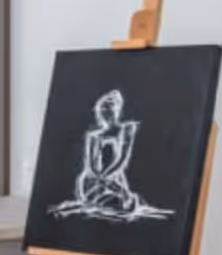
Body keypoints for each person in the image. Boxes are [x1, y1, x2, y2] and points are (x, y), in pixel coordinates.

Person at [51, 89, 170, 223]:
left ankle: (110, 199)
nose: (105, 112)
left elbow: (122, 160)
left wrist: (111, 183)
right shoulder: (93, 136)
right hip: (93, 182)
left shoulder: (127, 129)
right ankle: (99, 200)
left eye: (109, 107)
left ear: (117, 110)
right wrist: (100, 179)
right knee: (107, 201)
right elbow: (91, 166)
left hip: (114, 180)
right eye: (103, 108)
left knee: (121, 204)